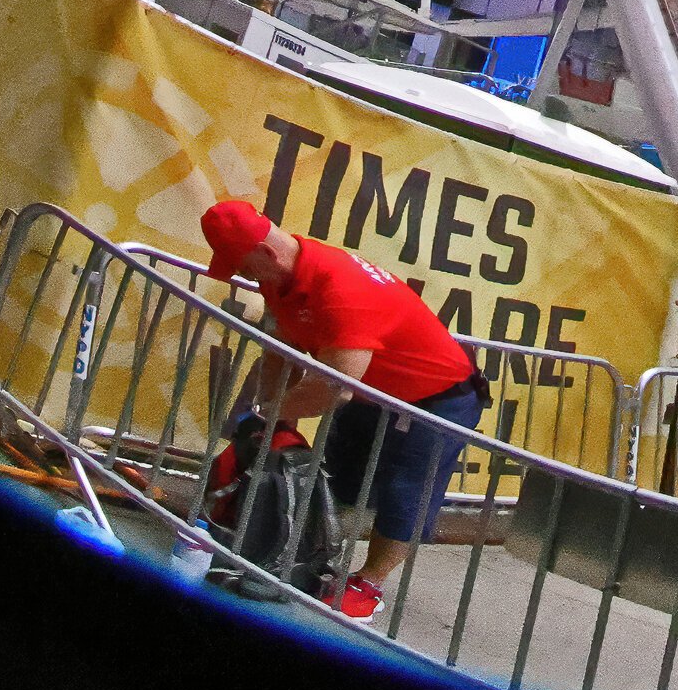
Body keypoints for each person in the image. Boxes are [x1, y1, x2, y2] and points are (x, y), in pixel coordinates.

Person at [194, 198, 488, 619]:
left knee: (406, 493)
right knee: (340, 477)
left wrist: (271, 415)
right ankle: (311, 551)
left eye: (239, 263)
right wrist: (280, 422)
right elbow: (280, 349)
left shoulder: (341, 290)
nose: (239, 273)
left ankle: (369, 584)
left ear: (266, 252)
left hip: (437, 399)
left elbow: (335, 387)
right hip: (374, 389)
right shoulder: (279, 278)